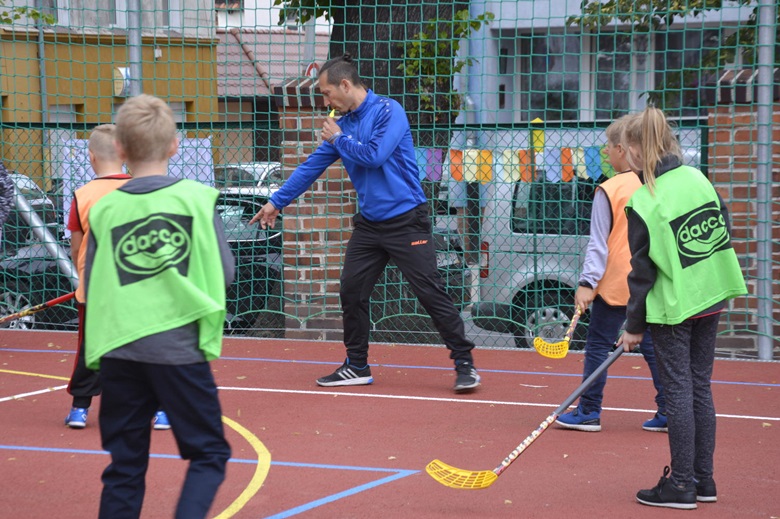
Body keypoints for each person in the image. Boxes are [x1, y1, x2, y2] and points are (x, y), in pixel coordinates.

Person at [249, 54, 480, 393]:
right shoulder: (344, 124)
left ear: (345, 85)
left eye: (327, 93)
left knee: (430, 292)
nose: (325, 102)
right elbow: (311, 167)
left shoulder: (389, 111)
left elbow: (374, 156)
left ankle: (465, 363)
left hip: (407, 221)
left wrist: (338, 138)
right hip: (370, 226)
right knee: (351, 290)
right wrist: (275, 202)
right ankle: (356, 365)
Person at [83, 94, 233, 519]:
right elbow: (224, 272)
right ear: (174, 145)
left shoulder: (106, 207)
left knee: (125, 466)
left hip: (120, 349)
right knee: (209, 453)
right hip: (177, 349)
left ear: (122, 151)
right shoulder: (198, 200)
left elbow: (94, 282)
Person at [617, 106, 746, 510]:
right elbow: (720, 224)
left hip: (675, 307)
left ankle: (682, 485)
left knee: (678, 392)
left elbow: (642, 270)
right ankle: (703, 481)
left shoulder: (644, 199)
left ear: (637, 151)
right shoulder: (697, 177)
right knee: (699, 387)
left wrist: (632, 326)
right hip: (712, 295)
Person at [555, 115, 667, 433]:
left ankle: (589, 410)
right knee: (650, 346)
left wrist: (587, 282)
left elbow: (598, 243)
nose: (606, 153)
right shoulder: (655, 182)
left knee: (597, 344)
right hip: (649, 284)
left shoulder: (609, 189)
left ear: (622, 149)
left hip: (616, 284)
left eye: (608, 147)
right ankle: (670, 409)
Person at [63, 125, 171, 431]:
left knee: (91, 349)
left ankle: (79, 410)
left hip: (96, 289)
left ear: (91, 157)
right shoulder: (145, 188)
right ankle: (162, 409)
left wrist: (84, 273)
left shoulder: (82, 195)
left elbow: (75, 246)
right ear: (125, 154)